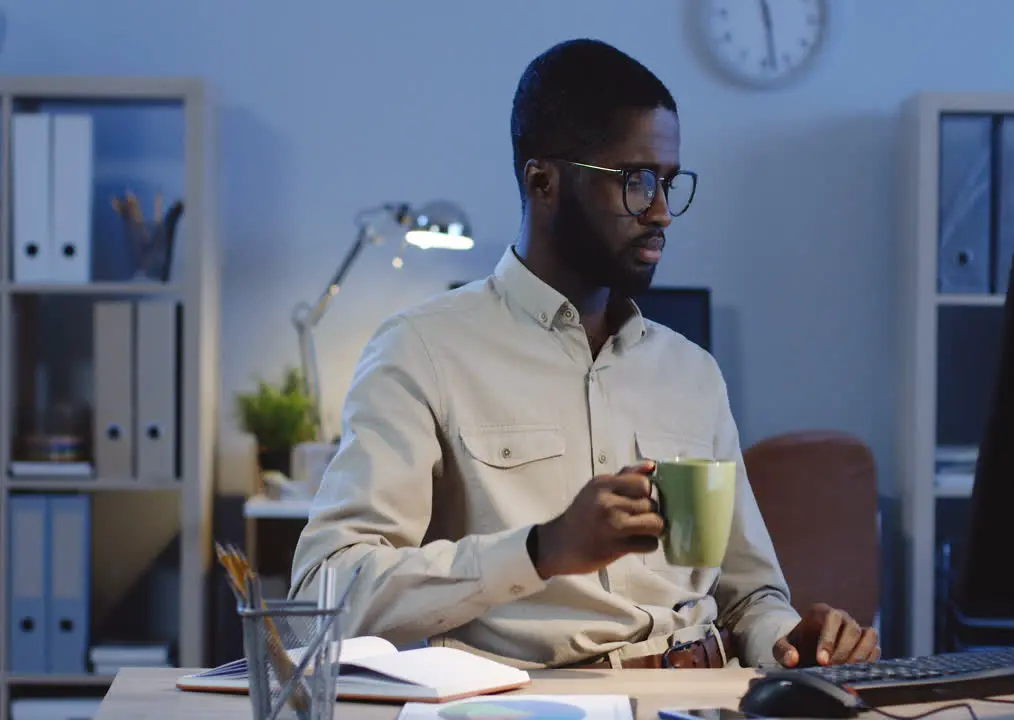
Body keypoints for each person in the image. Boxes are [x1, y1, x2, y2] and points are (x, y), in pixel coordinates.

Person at [289, 37, 881, 671]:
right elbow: (318, 601)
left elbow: (747, 596)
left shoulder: (692, 374)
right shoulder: (423, 350)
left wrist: (793, 644)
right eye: (636, 181)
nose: (661, 212)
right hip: (538, 705)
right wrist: (541, 550)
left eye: (670, 183)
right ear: (543, 181)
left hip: (705, 697)